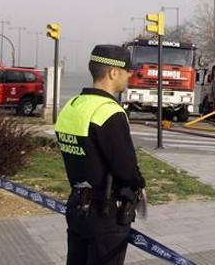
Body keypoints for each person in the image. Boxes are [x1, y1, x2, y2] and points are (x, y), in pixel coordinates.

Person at [54, 44, 146, 265]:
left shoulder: (72, 105)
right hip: (105, 213)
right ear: (114, 72)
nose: (130, 76)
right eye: (128, 71)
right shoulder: (109, 111)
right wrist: (139, 183)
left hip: (77, 206)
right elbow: (125, 168)